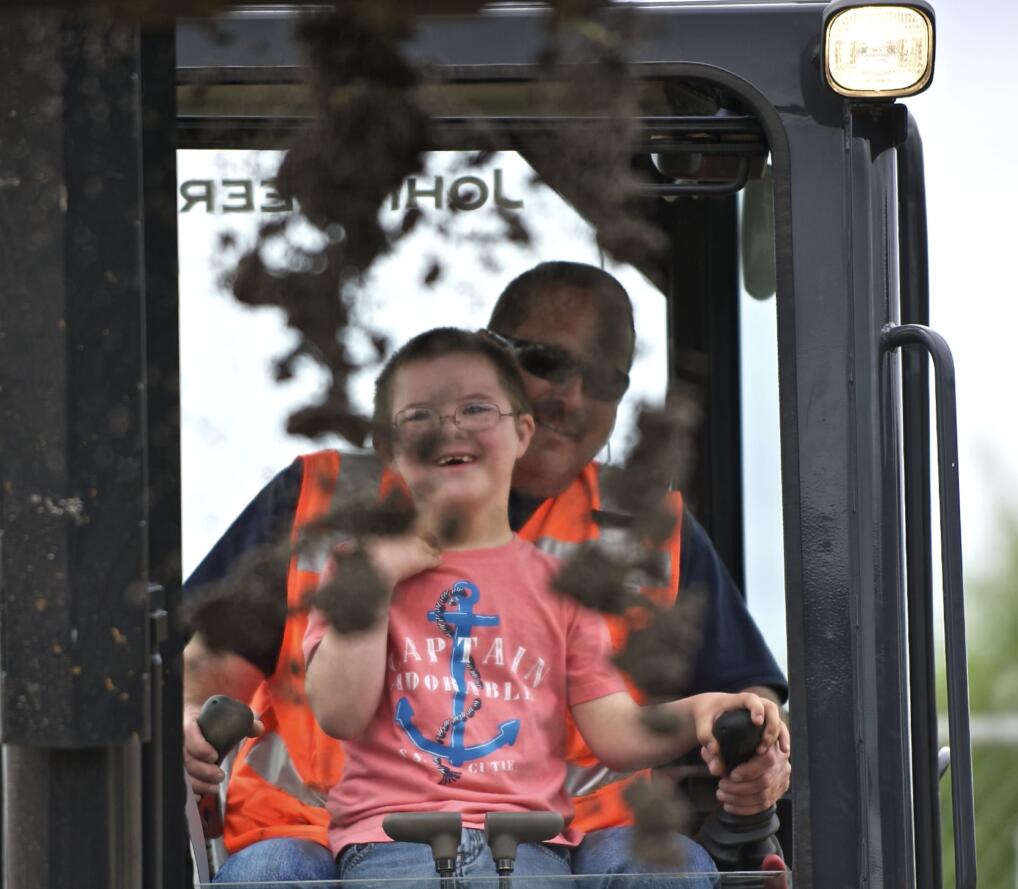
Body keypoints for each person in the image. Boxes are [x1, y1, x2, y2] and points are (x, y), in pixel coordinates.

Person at [183, 261, 790, 882]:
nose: (571, 397)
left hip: (567, 833)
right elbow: (199, 673)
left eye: (605, 380)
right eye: (547, 362)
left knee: (670, 872)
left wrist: (754, 745)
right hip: (323, 828)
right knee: (265, 876)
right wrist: (184, 717)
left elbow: (737, 696)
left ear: (517, 428)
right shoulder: (320, 504)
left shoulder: (647, 530)